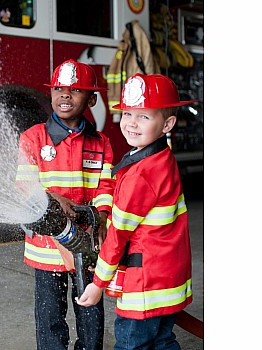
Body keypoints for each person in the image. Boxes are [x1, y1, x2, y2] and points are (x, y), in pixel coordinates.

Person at [76, 73, 196, 350]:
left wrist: (97, 284)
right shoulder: (159, 157)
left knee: (132, 344)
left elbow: (118, 234)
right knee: (162, 340)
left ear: (167, 124)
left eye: (144, 116)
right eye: (128, 112)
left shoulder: (141, 174)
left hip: (145, 283)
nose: (131, 122)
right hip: (168, 277)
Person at [15, 59, 115, 350]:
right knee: (50, 319)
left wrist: (102, 218)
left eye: (75, 90)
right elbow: (24, 186)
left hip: (86, 246)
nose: (65, 95)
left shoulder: (101, 143)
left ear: (92, 99)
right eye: (58, 88)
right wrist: (50, 198)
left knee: (90, 312)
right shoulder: (33, 138)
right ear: (50, 94)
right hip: (46, 251)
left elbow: (105, 186)